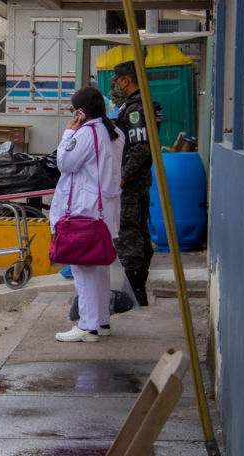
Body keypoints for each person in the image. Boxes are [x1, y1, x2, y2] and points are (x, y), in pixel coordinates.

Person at [52, 87, 125, 342]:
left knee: (83, 269)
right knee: (100, 267)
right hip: (105, 210)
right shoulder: (115, 133)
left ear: (80, 113)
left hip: (85, 210)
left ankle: (87, 326)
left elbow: (65, 163)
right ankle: (101, 321)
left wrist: (68, 133)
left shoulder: (86, 133)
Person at [110, 60, 162, 306]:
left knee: (128, 235)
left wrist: (123, 176)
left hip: (131, 183)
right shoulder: (139, 105)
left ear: (126, 80)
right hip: (136, 180)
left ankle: (132, 293)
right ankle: (136, 292)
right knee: (138, 233)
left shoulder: (136, 109)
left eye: (117, 81)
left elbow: (140, 148)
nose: (115, 87)